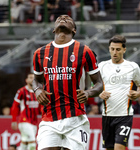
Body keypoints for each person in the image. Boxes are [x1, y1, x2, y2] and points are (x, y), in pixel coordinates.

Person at [33, 14, 103, 150]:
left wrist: (88, 93)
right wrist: (37, 90)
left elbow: (99, 84)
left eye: (68, 19)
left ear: (74, 30)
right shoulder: (40, 53)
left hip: (75, 118)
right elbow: (37, 80)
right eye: (59, 18)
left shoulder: (84, 51)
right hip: (49, 118)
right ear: (54, 29)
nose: (63, 18)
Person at [98, 35, 140, 150]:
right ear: (109, 49)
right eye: (112, 49)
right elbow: (95, 85)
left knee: (119, 147)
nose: (115, 52)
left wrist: (138, 94)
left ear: (124, 49)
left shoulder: (133, 67)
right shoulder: (102, 66)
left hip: (125, 115)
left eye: (118, 49)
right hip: (107, 115)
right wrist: (100, 93)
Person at [11, 73, 39, 150]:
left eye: (34, 78)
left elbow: (41, 107)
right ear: (26, 80)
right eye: (30, 78)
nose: (32, 80)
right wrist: (14, 120)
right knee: (32, 141)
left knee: (25, 142)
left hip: (34, 121)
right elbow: (15, 106)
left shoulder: (38, 92)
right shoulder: (21, 91)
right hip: (24, 120)